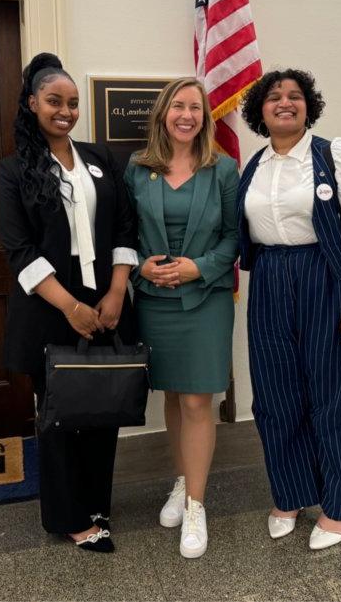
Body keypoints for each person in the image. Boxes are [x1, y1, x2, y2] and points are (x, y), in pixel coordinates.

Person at [237, 69, 341, 551]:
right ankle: (290, 495)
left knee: (332, 396)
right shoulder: (254, 166)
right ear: (259, 111)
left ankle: (338, 506)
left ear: (308, 106)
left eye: (295, 96)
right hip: (270, 281)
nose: (285, 103)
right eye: (274, 97)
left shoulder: (333, 154)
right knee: (275, 398)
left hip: (325, 279)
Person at [0, 52, 138, 553]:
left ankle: (97, 501)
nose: (66, 111)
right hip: (50, 309)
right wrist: (69, 307)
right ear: (33, 103)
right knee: (59, 416)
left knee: (103, 406)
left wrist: (117, 290)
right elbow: (20, 251)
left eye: (73, 103)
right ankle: (70, 517)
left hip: (106, 304)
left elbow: (125, 227)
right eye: (55, 101)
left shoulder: (100, 159)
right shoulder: (14, 170)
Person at [124, 78, 239, 559]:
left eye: (195, 107)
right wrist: (139, 265)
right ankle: (182, 479)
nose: (186, 114)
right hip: (154, 300)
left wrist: (200, 267)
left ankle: (196, 505)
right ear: (163, 114)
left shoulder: (224, 169)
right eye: (178, 106)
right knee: (172, 394)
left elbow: (234, 237)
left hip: (205, 301)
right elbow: (123, 230)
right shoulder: (137, 167)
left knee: (197, 400)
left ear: (205, 117)